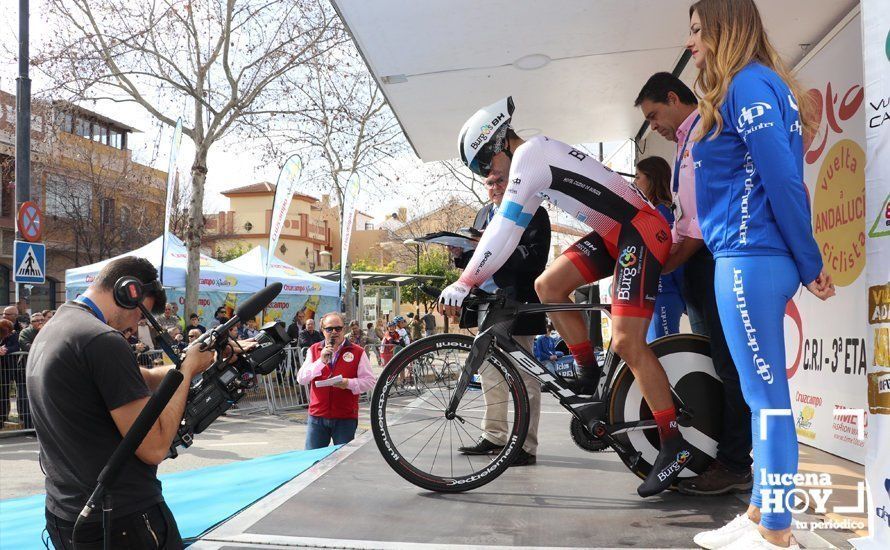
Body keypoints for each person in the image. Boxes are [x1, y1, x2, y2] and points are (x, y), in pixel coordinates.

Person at [439, 96, 691, 497]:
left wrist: (466, 281)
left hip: (640, 232)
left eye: (486, 165)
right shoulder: (532, 162)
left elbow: (504, 231)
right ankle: (590, 374)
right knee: (547, 286)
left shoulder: (530, 157)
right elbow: (503, 233)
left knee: (626, 342)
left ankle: (673, 443)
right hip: (615, 235)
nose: (488, 175)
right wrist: (471, 274)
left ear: (501, 142)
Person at [685, 2, 835, 548]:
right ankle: (759, 515)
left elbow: (782, 178)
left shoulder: (749, 87)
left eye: (698, 30)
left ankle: (775, 531)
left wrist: (811, 259)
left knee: (766, 400)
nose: (691, 41)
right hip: (749, 258)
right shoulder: (754, 86)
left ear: (723, 28)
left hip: (750, 260)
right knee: (760, 397)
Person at [26, 256, 219, 549]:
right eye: (141, 315)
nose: (136, 325)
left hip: (68, 514)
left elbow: (140, 376)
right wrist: (186, 371)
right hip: (121, 520)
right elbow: (154, 447)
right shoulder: (102, 340)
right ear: (129, 293)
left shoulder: (58, 329)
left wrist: (203, 361)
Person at [636, 72, 756, 496]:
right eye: (648, 122)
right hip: (698, 267)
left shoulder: (706, 133)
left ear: (673, 97)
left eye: (654, 115)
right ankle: (728, 456)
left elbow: (699, 228)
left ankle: (737, 463)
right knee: (714, 363)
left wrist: (663, 267)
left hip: (712, 258)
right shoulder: (684, 142)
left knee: (728, 366)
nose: (653, 126)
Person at [447, 152, 551, 467]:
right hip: (486, 305)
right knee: (489, 372)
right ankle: (494, 436)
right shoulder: (482, 215)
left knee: (525, 378)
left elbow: (532, 260)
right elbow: (476, 261)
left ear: (513, 181)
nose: (494, 187)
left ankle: (525, 446)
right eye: (489, 183)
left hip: (517, 304)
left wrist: (491, 248)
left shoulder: (533, 212)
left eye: (500, 181)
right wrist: (460, 254)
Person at [296, 312, 375, 449]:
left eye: (338, 328)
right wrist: (321, 361)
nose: (334, 332)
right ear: (322, 330)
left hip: (345, 418)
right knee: (312, 462)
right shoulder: (314, 350)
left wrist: (348, 383)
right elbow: (302, 379)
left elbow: (369, 381)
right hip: (317, 417)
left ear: (344, 329)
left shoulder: (357, 352)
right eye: (329, 329)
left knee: (342, 463)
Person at [632, 158, 686, 342]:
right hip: (654, 296)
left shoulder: (663, 212)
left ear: (652, 179)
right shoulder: (655, 211)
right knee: (656, 354)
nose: (634, 182)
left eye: (638, 177)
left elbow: (670, 255)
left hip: (664, 294)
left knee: (664, 354)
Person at [0, 319, 25, 427]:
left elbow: (16, 346)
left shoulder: (14, 335)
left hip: (8, 368)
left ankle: (2, 419)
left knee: (5, 394)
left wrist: (5, 350)